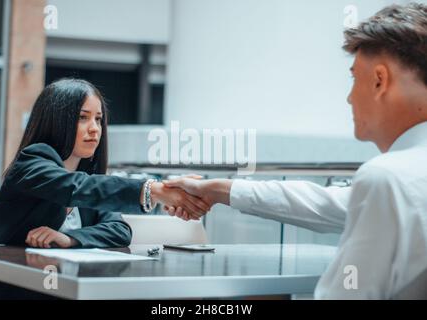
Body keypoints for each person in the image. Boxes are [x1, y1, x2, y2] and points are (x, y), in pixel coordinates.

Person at [163, 3, 427, 299]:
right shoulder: (402, 179)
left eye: (354, 78)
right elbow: (333, 204)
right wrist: (219, 190)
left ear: (380, 80)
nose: (350, 97)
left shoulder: (387, 178)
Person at [0, 78, 209, 299]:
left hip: (57, 286)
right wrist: (156, 190)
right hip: (5, 287)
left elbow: (119, 229)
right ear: (57, 121)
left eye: (98, 119)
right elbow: (74, 188)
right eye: (82, 117)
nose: (95, 129)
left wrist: (69, 239)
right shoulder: (32, 163)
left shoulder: (89, 177)